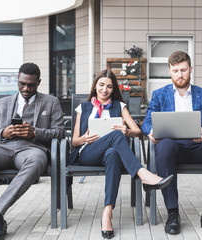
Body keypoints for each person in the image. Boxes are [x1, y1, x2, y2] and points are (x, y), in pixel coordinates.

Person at [0, 63, 65, 240]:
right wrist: (3, 132)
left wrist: (35, 132)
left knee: (37, 159)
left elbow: (60, 132)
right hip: (2, 148)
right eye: (21, 84)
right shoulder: (1, 103)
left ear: (38, 82)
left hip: (31, 149)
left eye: (31, 85)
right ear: (17, 80)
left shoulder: (51, 102)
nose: (25, 88)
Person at [68, 69, 173, 239]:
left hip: (111, 155)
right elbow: (74, 141)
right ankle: (143, 174)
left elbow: (137, 131)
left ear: (113, 89)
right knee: (116, 136)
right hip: (88, 152)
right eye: (101, 85)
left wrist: (127, 131)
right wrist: (84, 138)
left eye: (109, 86)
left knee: (112, 152)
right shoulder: (84, 107)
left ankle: (107, 214)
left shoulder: (119, 106)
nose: (104, 89)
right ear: (95, 86)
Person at [141, 51, 202, 235]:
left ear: (190, 69)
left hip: (200, 146)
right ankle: (172, 213)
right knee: (164, 145)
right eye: (175, 70)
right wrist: (151, 131)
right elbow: (146, 123)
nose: (180, 74)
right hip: (173, 148)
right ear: (169, 71)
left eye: (183, 70)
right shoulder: (159, 95)